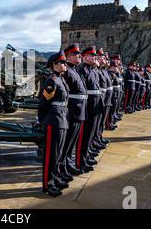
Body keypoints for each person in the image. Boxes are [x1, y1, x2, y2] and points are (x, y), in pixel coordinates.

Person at [38, 51, 69, 197]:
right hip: (53, 121)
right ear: (54, 65)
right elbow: (43, 104)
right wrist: (43, 121)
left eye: (64, 62)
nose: (65, 65)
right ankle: (47, 184)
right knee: (51, 155)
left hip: (62, 119)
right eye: (62, 62)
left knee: (58, 153)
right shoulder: (51, 81)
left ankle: (55, 179)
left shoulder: (61, 79)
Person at [61, 44, 87, 177]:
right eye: (77, 54)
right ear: (69, 56)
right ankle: (63, 166)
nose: (80, 56)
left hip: (79, 111)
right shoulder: (66, 71)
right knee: (66, 143)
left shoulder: (74, 70)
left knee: (71, 143)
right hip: (71, 111)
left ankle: (68, 163)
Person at [77, 47, 103, 172]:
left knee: (91, 133)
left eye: (95, 56)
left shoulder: (92, 70)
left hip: (95, 105)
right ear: (85, 57)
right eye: (92, 56)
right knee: (85, 136)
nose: (94, 58)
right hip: (88, 106)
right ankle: (80, 161)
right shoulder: (82, 69)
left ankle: (86, 156)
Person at [107, 60, 120, 130]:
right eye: (115, 67)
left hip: (115, 93)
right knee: (111, 110)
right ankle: (109, 124)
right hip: (112, 93)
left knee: (113, 109)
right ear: (111, 67)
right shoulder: (109, 74)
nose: (116, 68)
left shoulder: (114, 74)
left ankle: (111, 122)